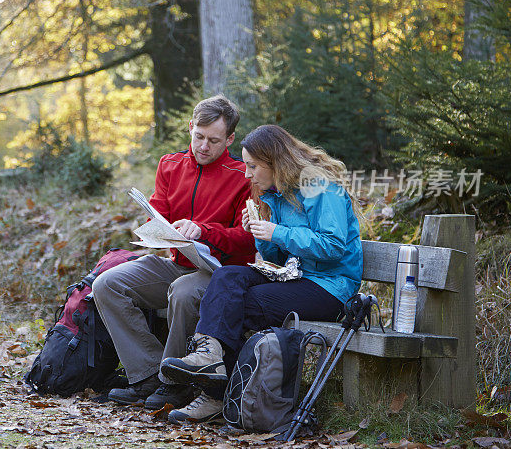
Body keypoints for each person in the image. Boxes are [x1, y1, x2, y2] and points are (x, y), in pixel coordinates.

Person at [160, 124, 364, 424]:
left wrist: (277, 232)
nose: (247, 174)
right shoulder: (276, 194)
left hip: (330, 287)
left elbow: (333, 246)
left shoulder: (317, 184)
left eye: (253, 166)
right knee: (228, 277)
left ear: (275, 161)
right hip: (296, 277)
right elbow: (277, 258)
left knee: (241, 303)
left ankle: (215, 395)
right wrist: (260, 234)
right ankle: (209, 358)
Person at [91, 96, 259, 411]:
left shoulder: (243, 176)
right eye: (199, 137)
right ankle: (149, 375)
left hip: (219, 274)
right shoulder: (170, 165)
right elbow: (159, 212)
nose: (204, 146)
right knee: (107, 284)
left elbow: (247, 241)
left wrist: (204, 230)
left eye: (214, 141)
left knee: (183, 292)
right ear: (190, 128)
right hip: (175, 262)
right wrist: (151, 229)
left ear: (230, 139)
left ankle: (174, 385)